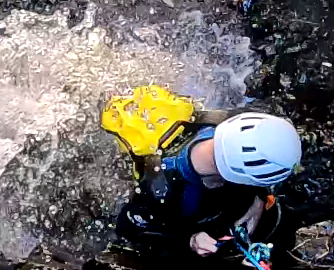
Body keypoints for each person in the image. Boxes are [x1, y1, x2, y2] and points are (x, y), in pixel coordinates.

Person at [105, 88, 302, 259]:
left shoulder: (231, 121)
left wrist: (259, 200)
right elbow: (128, 228)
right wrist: (189, 241)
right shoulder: (163, 190)